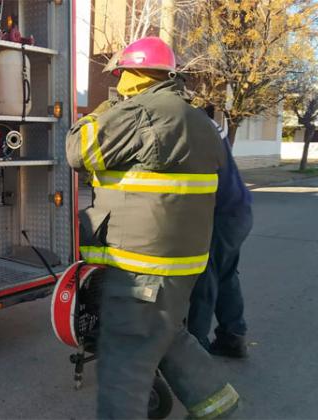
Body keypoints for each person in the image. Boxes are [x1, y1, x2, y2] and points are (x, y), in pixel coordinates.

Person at [67, 36, 239, 419]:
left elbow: (78, 149)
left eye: (124, 75)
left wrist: (110, 106)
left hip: (140, 267)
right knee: (166, 336)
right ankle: (221, 408)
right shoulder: (201, 122)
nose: (120, 82)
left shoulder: (140, 114)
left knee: (123, 364)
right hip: (181, 266)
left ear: (136, 76)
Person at [187, 109, 254, 359]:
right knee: (225, 275)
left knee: (205, 278)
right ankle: (233, 337)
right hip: (238, 211)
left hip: (222, 215)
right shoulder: (207, 123)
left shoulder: (191, 127)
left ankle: (194, 351)